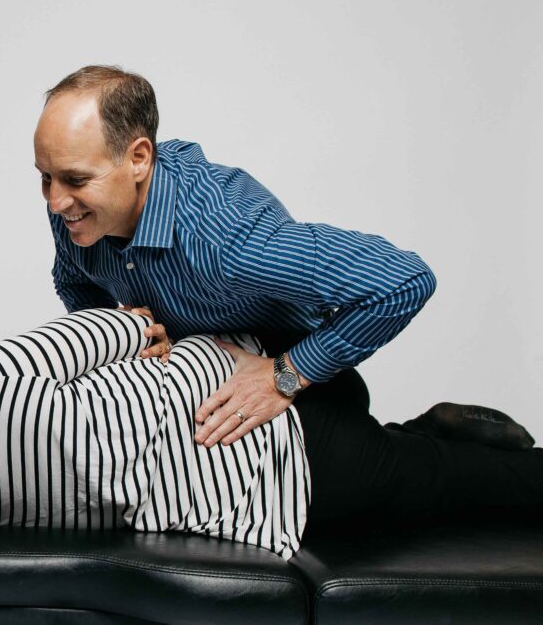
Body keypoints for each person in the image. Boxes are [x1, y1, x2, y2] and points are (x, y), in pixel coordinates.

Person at [0, 308, 542, 592]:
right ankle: (438, 433)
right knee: (482, 483)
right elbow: (138, 320)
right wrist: (141, 356)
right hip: (279, 420)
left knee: (422, 472)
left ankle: (432, 431)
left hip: (286, 482)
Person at [33, 64, 439, 458]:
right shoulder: (75, 214)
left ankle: (443, 433)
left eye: (76, 179)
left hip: (298, 380)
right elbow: (73, 281)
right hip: (200, 370)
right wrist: (124, 333)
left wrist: (285, 375)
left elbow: (403, 280)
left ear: (139, 157)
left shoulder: (224, 235)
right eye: (46, 176)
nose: (54, 201)